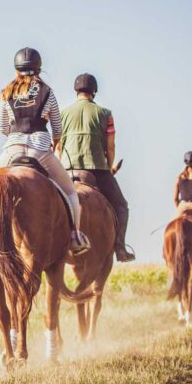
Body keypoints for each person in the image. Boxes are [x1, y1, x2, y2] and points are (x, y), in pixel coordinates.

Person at [0, 48, 90, 255]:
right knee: (71, 192)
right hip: (41, 151)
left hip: (13, 149)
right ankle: (75, 236)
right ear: (39, 68)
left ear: (16, 68)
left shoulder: (6, 93)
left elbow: (2, 127)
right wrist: (54, 143)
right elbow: (57, 128)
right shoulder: (48, 92)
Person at [57, 73, 135, 262]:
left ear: (76, 91)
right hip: (96, 168)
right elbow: (110, 146)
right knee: (122, 206)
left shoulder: (63, 114)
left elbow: (58, 146)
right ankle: (120, 248)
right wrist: (108, 167)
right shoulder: (105, 113)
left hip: (68, 170)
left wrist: (62, 168)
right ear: (94, 91)